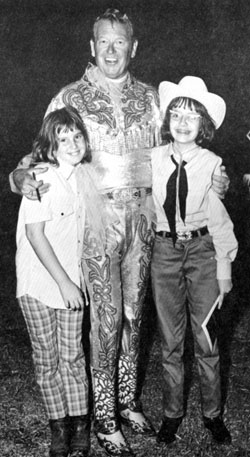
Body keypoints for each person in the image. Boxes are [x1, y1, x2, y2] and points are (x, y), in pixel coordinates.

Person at [10, 9, 229, 457]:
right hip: (95, 224)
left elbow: (184, 149)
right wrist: (17, 177)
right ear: (92, 47)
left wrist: (218, 179)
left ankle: (127, 401)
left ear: (134, 47)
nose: (112, 51)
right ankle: (104, 415)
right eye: (104, 43)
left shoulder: (152, 99)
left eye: (120, 43)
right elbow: (36, 154)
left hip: (144, 221)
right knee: (105, 321)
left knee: (134, 317)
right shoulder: (69, 96)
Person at [16, 106, 116, 457]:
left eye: (77, 136)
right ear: (50, 146)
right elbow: (35, 236)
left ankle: (80, 428)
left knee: (73, 356)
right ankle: (59, 428)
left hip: (70, 283)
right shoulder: (41, 176)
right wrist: (64, 284)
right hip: (39, 283)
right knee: (47, 359)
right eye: (63, 138)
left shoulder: (84, 178)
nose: (72, 143)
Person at [151, 76, 238, 447]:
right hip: (163, 253)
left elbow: (220, 222)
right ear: (166, 120)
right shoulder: (151, 159)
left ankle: (212, 413)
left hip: (202, 253)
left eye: (191, 116)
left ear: (203, 125)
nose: (183, 122)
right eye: (176, 114)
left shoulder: (213, 164)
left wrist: (224, 270)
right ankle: (172, 412)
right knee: (170, 340)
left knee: (207, 338)